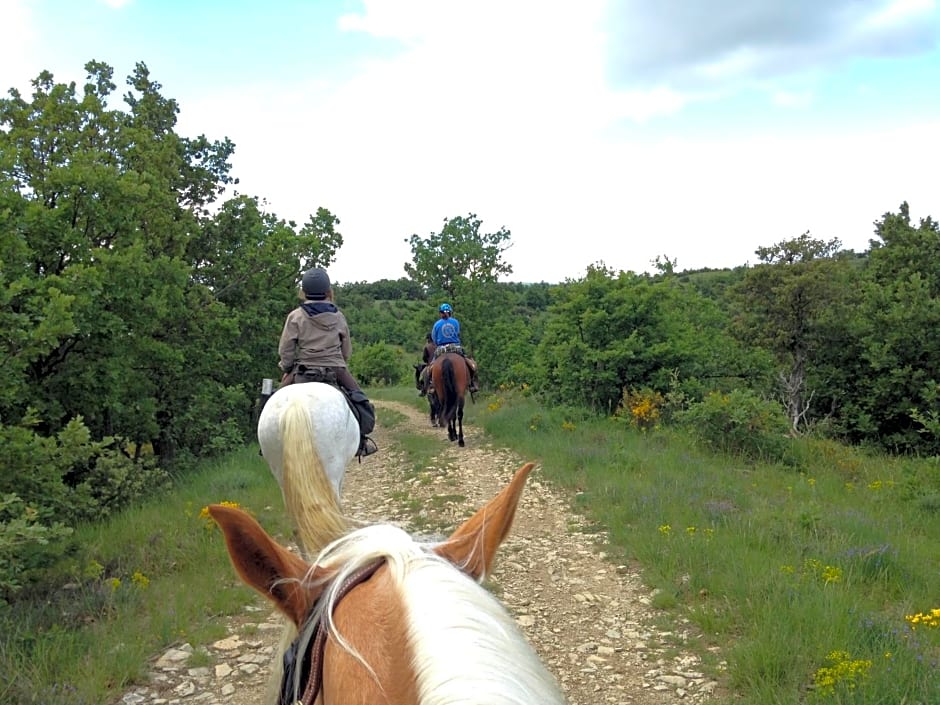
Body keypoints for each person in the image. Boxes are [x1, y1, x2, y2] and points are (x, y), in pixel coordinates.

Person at [277, 267, 377, 457]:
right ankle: (362, 441)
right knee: (361, 401)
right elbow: (346, 350)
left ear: (304, 292)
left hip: (303, 369)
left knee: (271, 403)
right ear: (327, 291)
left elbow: (286, 349)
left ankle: (268, 445)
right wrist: (340, 362)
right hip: (335, 368)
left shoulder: (295, 316)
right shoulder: (339, 317)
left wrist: (287, 367)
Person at [430, 302, 479, 392]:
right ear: (450, 312)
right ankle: (472, 382)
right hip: (455, 347)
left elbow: (434, 338)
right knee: (470, 363)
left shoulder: (437, 324)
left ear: (440, 313)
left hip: (441, 348)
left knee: (431, 366)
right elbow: (457, 333)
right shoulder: (455, 322)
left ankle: (432, 384)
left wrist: (438, 343)